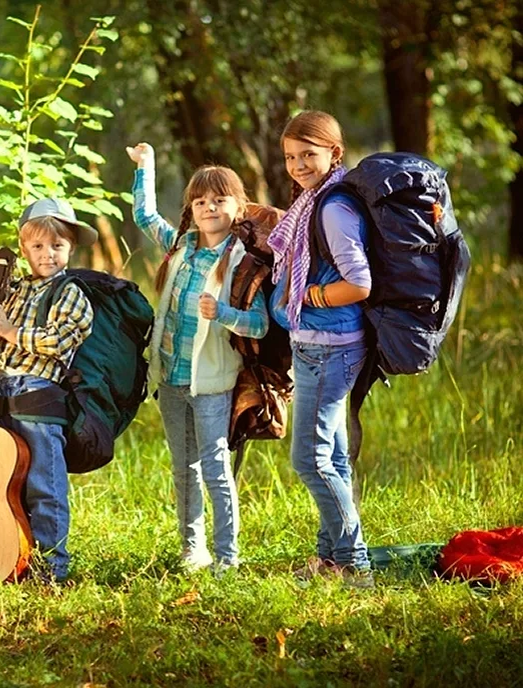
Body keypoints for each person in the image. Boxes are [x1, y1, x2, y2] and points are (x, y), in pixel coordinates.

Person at [126, 142, 269, 577]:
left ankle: (227, 557)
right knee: (183, 466)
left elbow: (259, 325)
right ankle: (194, 548)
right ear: (191, 207)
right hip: (171, 377)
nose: (209, 207)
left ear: (238, 205)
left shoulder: (244, 262)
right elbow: (144, 217)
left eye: (219, 200)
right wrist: (145, 167)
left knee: (215, 466)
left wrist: (223, 313)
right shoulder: (181, 247)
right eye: (201, 201)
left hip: (212, 383)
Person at [267, 110, 374, 588]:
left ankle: (355, 563)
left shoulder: (332, 208)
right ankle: (330, 559)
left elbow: (359, 283)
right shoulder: (315, 200)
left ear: (334, 152)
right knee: (328, 455)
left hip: (329, 346)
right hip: (318, 345)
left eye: (308, 154)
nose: (298, 164)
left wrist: (308, 296)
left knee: (308, 459)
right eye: (291, 156)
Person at [0, 198, 97, 583]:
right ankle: (9, 557)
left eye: (57, 246)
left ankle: (51, 568)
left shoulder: (71, 293)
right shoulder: (13, 290)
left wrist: (10, 332)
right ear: (24, 248)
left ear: (70, 247)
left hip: (38, 399)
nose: (48, 254)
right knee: (4, 484)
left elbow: (58, 342)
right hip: (0, 395)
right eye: (38, 246)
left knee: (44, 484)